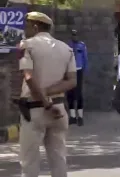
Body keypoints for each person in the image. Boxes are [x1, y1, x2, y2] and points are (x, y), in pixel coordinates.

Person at [18, 12, 77, 177]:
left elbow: (28, 77)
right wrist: (49, 93)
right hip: (59, 108)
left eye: (27, 26)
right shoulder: (66, 49)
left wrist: (45, 101)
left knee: (29, 161)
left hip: (35, 109)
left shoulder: (27, 45)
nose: (25, 30)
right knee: (58, 158)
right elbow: (72, 81)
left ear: (35, 26)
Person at [66, 29, 88, 126]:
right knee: (70, 93)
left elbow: (85, 58)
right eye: (73, 35)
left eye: (76, 35)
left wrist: (85, 70)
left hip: (79, 70)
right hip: (70, 71)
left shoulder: (82, 45)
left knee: (79, 94)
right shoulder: (68, 46)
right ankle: (73, 116)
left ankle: (80, 116)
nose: (74, 37)